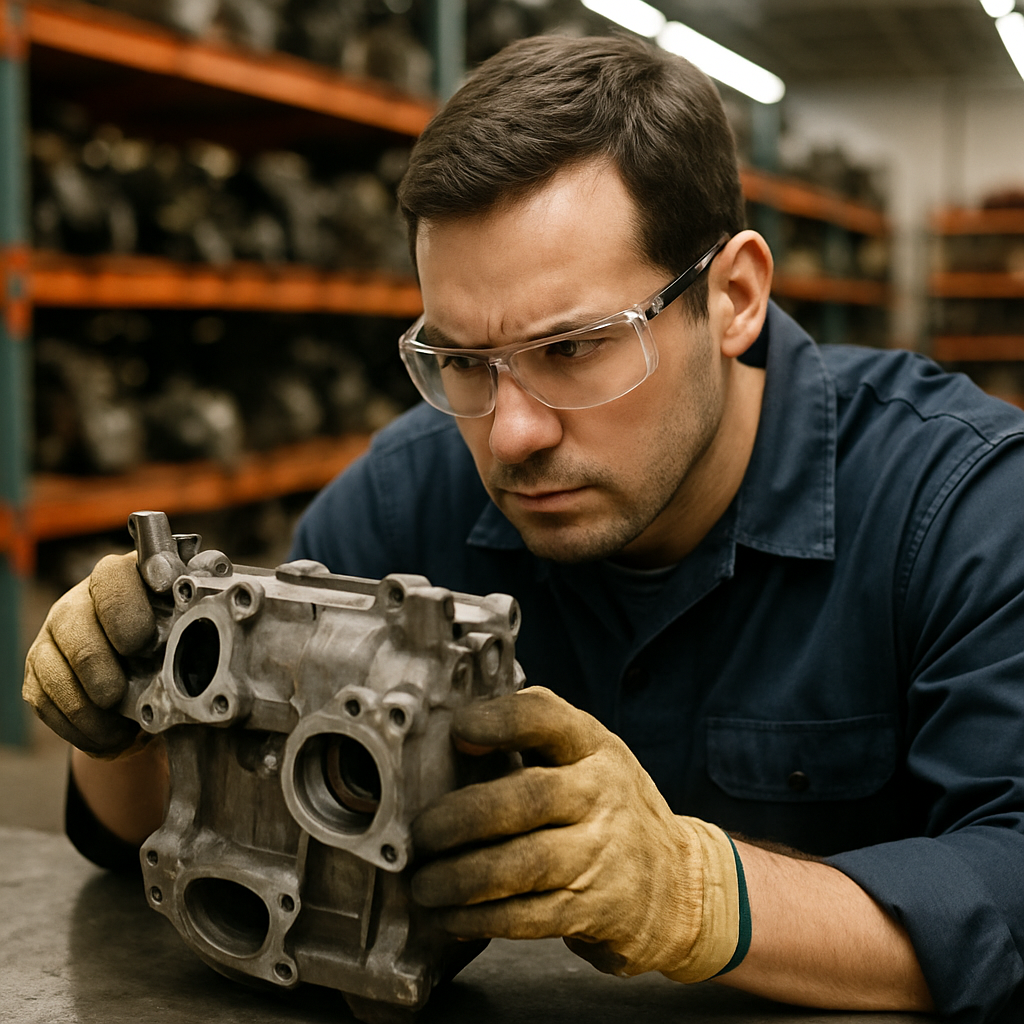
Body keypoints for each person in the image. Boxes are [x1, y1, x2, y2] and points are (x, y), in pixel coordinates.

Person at [23, 33, 1024, 1022]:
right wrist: (124, 717)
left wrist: (697, 894)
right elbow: (177, 833)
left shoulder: (962, 510)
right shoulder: (405, 496)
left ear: (733, 297)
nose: (510, 432)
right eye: (461, 360)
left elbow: (1009, 878)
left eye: (575, 346)